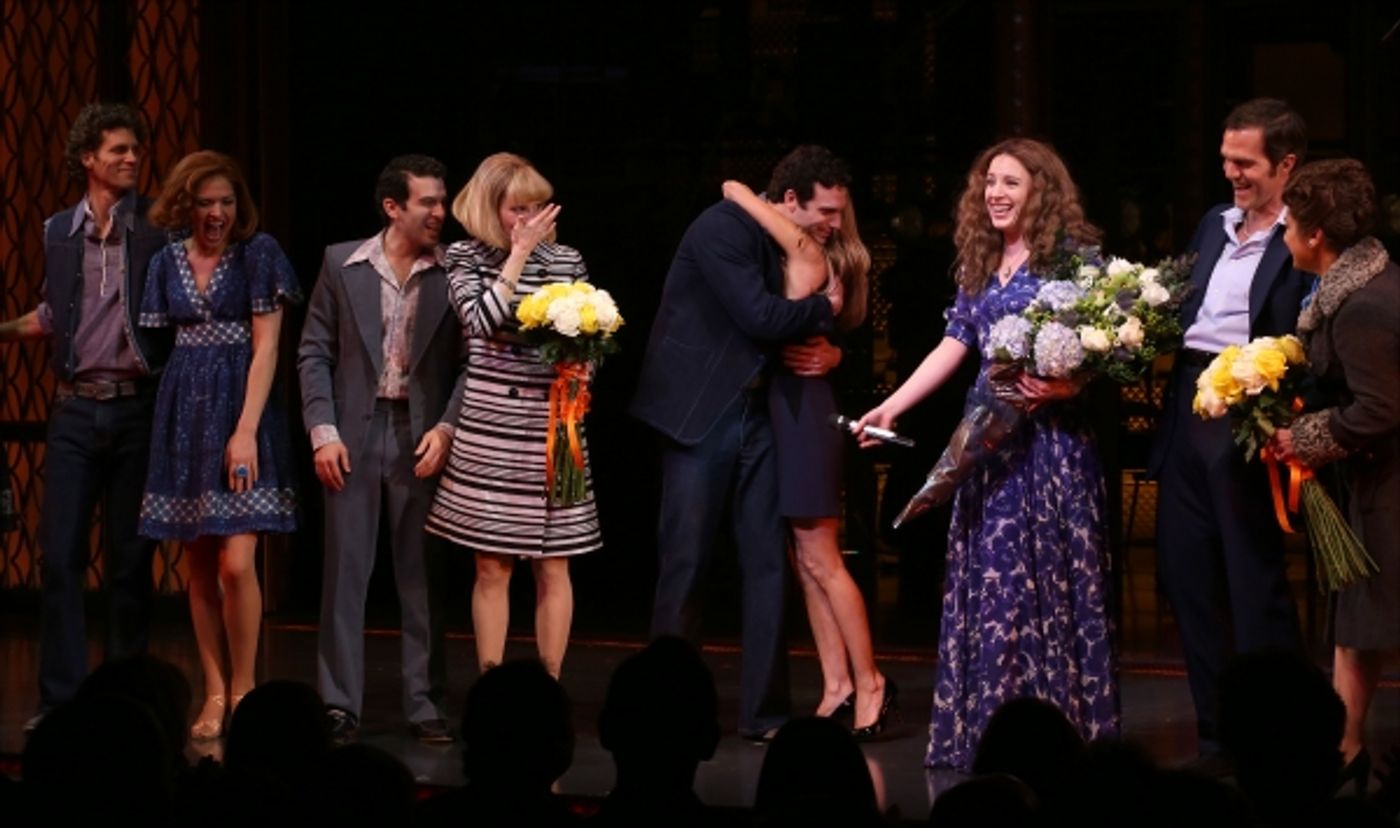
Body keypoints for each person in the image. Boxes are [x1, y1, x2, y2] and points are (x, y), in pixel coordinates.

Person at [856, 138, 1119, 770]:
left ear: (1041, 193)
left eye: (1011, 183)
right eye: (989, 183)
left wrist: (1066, 384)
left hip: (1050, 450)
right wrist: (892, 405)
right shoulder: (982, 261)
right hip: (990, 449)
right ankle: (989, 732)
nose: (996, 194)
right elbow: (956, 342)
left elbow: (1106, 348)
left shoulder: (1071, 262)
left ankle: (1061, 737)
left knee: (1050, 587)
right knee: (994, 585)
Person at [630, 144, 844, 741]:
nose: (832, 225)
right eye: (825, 211)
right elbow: (760, 318)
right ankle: (668, 713)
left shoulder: (795, 244)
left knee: (766, 563)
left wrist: (830, 337)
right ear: (791, 201)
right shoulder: (723, 228)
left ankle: (767, 715)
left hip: (760, 410)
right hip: (702, 411)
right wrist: (816, 307)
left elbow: (822, 319)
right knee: (687, 562)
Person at [1147, 98, 1312, 758]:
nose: (1233, 175)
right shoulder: (1214, 224)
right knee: (1188, 577)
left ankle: (1279, 734)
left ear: (1286, 165)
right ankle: (1217, 731)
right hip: (1189, 400)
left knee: (1252, 583)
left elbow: (1305, 329)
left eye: (1245, 164)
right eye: (1226, 162)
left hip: (1250, 406)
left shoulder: (1303, 234)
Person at [0, 103, 172, 729]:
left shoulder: (157, 225)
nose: (131, 159)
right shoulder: (57, 230)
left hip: (136, 411)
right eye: (119, 150)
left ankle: (127, 701)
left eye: (135, 150)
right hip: (75, 411)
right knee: (61, 559)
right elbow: (51, 315)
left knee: (129, 562)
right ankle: (60, 703)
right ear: (87, 159)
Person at [298, 155, 465, 744]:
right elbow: (313, 350)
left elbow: (475, 364)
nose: (440, 212)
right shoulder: (343, 263)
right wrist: (323, 431)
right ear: (393, 207)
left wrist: (447, 428)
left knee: (421, 574)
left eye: (442, 201)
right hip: (355, 430)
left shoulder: (453, 271)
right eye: (428, 202)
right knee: (345, 572)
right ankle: (339, 703)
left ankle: (424, 703)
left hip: (418, 433)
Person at [719, 178, 894, 738]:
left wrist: (743, 193)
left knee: (822, 558)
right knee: (805, 560)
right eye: (826, 211)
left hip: (803, 415)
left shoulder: (811, 253)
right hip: (789, 409)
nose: (834, 223)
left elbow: (747, 203)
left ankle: (870, 684)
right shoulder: (811, 253)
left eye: (840, 212)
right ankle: (837, 683)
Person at [136, 150, 300, 740]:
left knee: (237, 560)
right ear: (185, 205)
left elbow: (267, 348)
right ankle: (212, 689)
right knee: (199, 562)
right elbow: (158, 344)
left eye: (226, 202)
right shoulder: (165, 262)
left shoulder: (259, 254)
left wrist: (246, 431)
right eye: (205, 203)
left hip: (240, 409)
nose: (217, 213)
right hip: (184, 410)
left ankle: (244, 686)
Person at [425, 152, 601, 679]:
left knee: (555, 562)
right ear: (489, 208)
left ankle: (547, 686)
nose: (528, 218)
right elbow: (481, 321)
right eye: (516, 208)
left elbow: (589, 332)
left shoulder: (566, 259)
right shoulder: (463, 256)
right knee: (492, 564)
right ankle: (491, 686)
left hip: (557, 423)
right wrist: (518, 256)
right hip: (491, 425)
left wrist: (586, 368)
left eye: (537, 207)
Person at [1268, 158, 1400, 792]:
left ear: (1316, 233)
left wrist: (1306, 438)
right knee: (1357, 625)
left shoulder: (1365, 305)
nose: (1285, 233)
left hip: (1391, 486)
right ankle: (1347, 750)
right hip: (1372, 483)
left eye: (1291, 222)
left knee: (1373, 619)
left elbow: (1379, 407)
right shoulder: (1348, 292)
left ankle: (1349, 754)